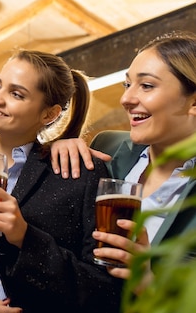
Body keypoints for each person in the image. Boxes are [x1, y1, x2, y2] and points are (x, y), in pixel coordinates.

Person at [0, 50, 122, 313]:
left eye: (16, 94)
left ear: (49, 115)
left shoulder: (80, 172)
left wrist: (25, 236)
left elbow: (106, 291)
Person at [49, 31, 196, 288]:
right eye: (127, 85)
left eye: (147, 85)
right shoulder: (106, 146)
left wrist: (147, 284)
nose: (126, 99)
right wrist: (62, 147)